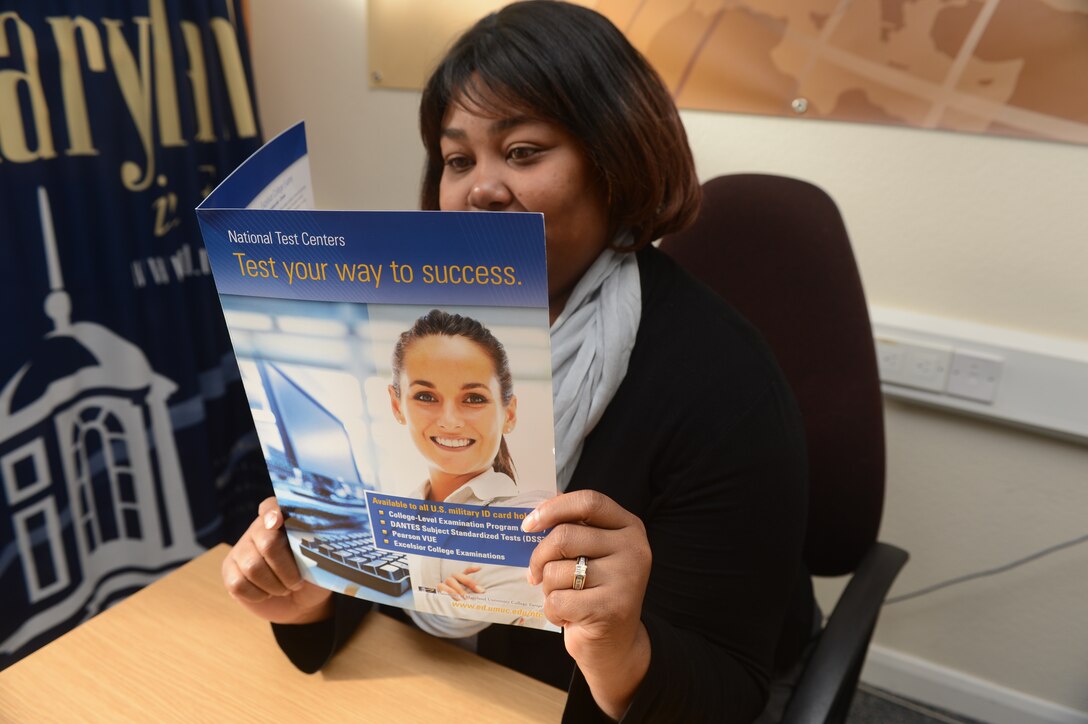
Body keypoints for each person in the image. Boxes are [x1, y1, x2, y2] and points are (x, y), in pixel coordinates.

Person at [221, 2, 813, 722]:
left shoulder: (724, 385)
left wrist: (620, 650)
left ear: (614, 160)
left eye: (524, 151)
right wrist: (310, 596)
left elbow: (728, 694)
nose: (481, 188)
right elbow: (383, 588)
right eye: (458, 159)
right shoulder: (411, 349)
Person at [388, 308, 553, 631]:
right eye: (425, 395)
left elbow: (455, 622)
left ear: (509, 413)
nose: (450, 420)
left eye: (474, 399)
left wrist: (411, 587)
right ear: (397, 406)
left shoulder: (529, 517)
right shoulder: (400, 503)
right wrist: (434, 594)